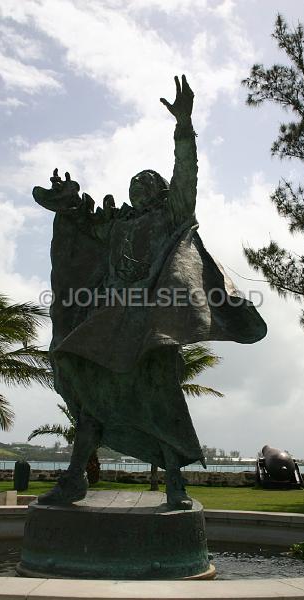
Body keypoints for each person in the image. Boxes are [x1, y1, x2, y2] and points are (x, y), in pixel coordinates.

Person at [33, 75, 267, 509]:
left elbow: (186, 174)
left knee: (161, 401)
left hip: (153, 326)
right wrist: (67, 203)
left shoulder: (170, 212)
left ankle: (175, 481)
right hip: (110, 321)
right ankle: (74, 480)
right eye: (132, 185)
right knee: (88, 395)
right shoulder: (118, 223)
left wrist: (184, 126)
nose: (137, 188)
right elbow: (83, 228)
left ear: (159, 191)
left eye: (145, 183)